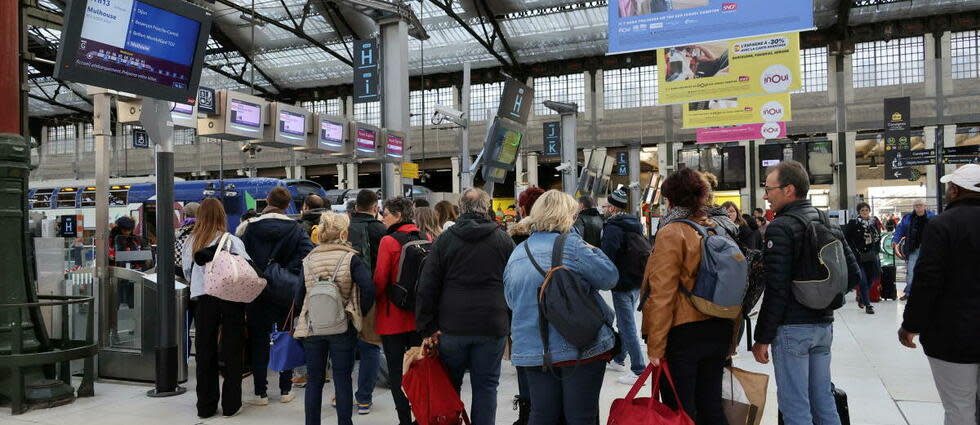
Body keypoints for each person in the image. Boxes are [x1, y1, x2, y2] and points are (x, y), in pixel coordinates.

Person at [751, 161, 860, 425]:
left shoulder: (780, 227)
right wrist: (819, 296)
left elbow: (776, 289)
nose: (766, 196)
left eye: (769, 189)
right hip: (824, 327)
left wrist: (762, 337)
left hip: (792, 329)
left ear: (788, 190)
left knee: (795, 407)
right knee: (823, 401)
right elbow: (854, 275)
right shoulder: (826, 220)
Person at [504, 190, 619, 425]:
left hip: (532, 352)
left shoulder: (517, 253)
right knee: (581, 417)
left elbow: (510, 300)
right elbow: (610, 278)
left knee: (542, 415)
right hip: (579, 347)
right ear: (568, 216)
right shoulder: (572, 245)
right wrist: (591, 247)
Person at [641, 168, 734, 425]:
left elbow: (662, 294)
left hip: (684, 335)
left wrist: (656, 346)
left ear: (670, 199)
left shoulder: (672, 232)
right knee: (712, 407)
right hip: (719, 328)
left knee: (680, 411)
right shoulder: (718, 227)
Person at [416, 188, 515, 425]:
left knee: (449, 388)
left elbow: (427, 285)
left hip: (452, 327)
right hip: (492, 325)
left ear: (461, 208)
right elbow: (513, 283)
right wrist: (510, 323)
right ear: (487, 207)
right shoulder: (503, 240)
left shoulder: (444, 241)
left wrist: (427, 326)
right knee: (487, 387)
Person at [899, 164, 980, 425]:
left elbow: (927, 281)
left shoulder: (942, 225)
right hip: (958, 333)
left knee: (959, 408)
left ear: (955, 190)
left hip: (953, 335)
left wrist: (910, 326)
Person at [295, 212, 376, 425]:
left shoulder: (308, 259)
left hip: (313, 327)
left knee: (314, 380)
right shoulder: (350, 258)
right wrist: (360, 313)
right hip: (343, 326)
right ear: (344, 233)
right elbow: (368, 288)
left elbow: (297, 296)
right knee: (342, 379)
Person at [236, 187, 314, 406]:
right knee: (285, 336)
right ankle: (285, 389)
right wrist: (289, 272)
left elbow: (241, 258)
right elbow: (309, 254)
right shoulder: (296, 229)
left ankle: (260, 393)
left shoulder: (248, 228)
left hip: (256, 291)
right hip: (285, 292)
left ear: (267, 201)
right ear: (287, 205)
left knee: (258, 341)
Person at [182, 198, 250, 418]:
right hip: (230, 298)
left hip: (203, 299)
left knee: (205, 351)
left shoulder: (191, 241)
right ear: (222, 216)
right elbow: (245, 267)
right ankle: (231, 404)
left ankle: (206, 405)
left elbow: (186, 271)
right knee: (232, 350)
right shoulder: (230, 240)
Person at [374, 197, 427, 425]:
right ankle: (422, 417)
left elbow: (379, 280)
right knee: (419, 370)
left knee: (397, 373)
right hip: (418, 317)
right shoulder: (425, 238)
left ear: (397, 215)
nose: (382, 218)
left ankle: (404, 419)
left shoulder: (388, 241)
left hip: (392, 318)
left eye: (385, 214)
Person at [507, 186, 546, 425]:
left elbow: (508, 289)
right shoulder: (563, 238)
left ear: (522, 208)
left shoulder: (513, 240)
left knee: (526, 376)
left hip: (523, 319)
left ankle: (527, 415)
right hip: (558, 322)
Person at [600, 188, 647, 385]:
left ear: (612, 207)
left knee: (627, 326)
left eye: (605, 205)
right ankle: (619, 358)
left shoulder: (613, 228)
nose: (604, 208)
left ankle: (638, 370)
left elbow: (607, 257)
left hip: (622, 283)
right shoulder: (635, 224)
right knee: (625, 322)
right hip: (637, 281)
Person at [345, 189, 386, 413]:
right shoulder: (381, 230)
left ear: (355, 207)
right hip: (371, 296)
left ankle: (341, 394)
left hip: (344, 296)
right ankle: (364, 399)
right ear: (375, 207)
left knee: (345, 347)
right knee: (369, 348)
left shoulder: (345, 229)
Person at [892, 199, 937, 300]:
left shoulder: (933, 217)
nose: (918, 207)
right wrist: (895, 241)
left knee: (928, 271)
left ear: (925, 206)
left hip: (928, 250)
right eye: (916, 205)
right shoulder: (908, 218)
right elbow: (900, 230)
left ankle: (928, 292)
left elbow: (939, 231)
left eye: (920, 205)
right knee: (911, 272)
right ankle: (909, 293)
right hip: (912, 249)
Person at [845, 202, 883, 314]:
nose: (865, 212)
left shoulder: (873, 223)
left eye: (866, 210)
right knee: (863, 281)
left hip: (871, 256)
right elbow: (847, 238)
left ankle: (862, 296)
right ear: (859, 212)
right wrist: (852, 251)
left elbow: (878, 238)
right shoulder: (854, 223)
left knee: (872, 278)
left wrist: (876, 250)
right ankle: (868, 304)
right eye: (862, 210)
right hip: (858, 256)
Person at [175, 202, 200, 279]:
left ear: (185, 215)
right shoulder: (203, 231)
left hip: (178, 270)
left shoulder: (180, 232)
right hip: (195, 271)